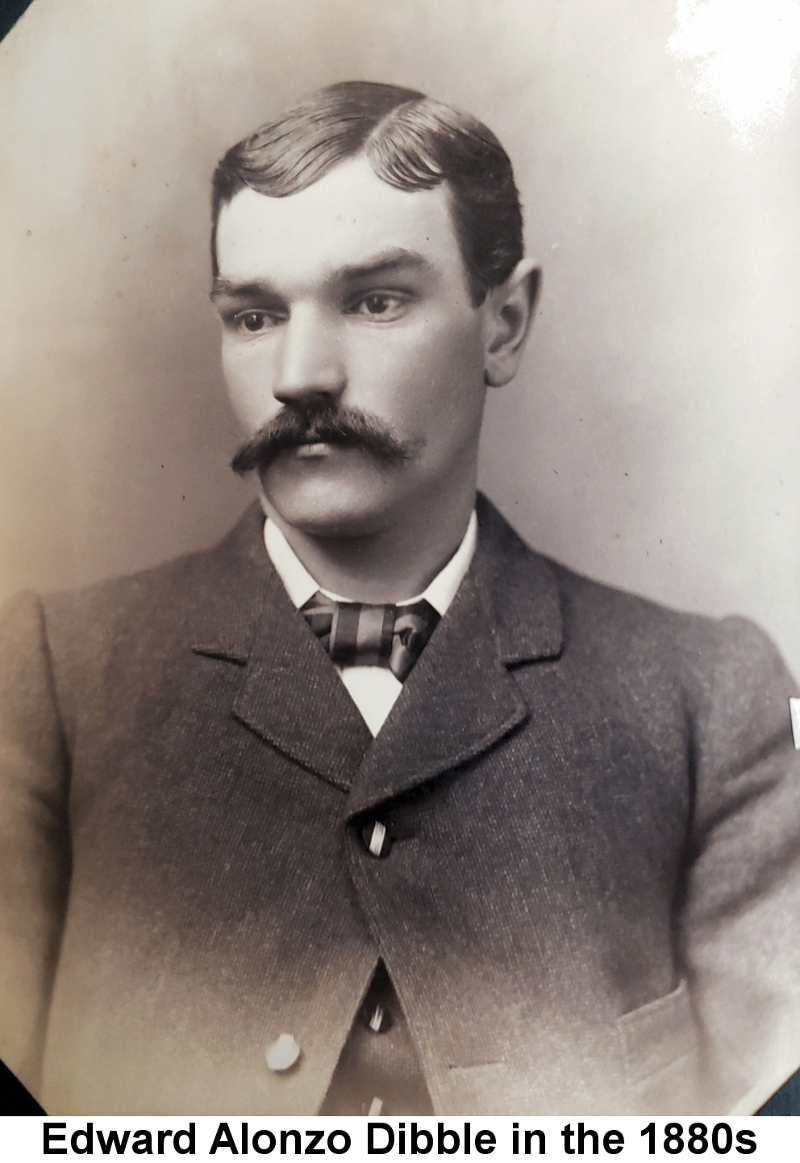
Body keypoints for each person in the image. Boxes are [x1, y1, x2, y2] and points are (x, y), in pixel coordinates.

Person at [1, 80, 799, 1118]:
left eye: (374, 300)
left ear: (503, 323)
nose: (298, 374)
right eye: (252, 314)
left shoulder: (707, 699)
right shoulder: (53, 679)